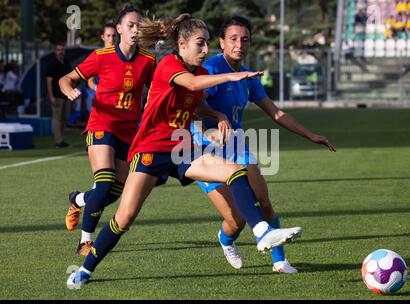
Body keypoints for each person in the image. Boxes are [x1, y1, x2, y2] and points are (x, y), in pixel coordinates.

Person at [67, 13, 302, 288]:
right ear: (182, 44)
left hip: (181, 148)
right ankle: (85, 270)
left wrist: (218, 114)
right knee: (124, 218)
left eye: (207, 45)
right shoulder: (168, 64)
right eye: (200, 44)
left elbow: (196, 101)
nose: (205, 51)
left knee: (235, 171)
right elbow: (190, 85)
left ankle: (262, 232)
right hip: (151, 151)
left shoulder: (201, 73)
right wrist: (232, 76)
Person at [190, 16, 335, 273]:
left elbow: (276, 113)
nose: (239, 44)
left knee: (264, 201)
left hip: (235, 144)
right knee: (235, 220)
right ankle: (226, 240)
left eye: (245, 39)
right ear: (222, 42)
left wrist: (310, 135)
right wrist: (217, 117)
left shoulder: (249, 76)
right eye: (233, 39)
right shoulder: (211, 69)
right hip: (204, 146)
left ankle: (279, 261)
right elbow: (195, 105)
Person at [59, 6, 157, 256]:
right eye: (131, 25)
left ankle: (78, 199)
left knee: (114, 192)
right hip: (101, 126)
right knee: (103, 184)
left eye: (140, 26)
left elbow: (157, 91)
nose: (136, 30)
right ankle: (85, 242)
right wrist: (69, 89)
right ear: (119, 29)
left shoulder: (147, 60)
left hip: (128, 132)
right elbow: (66, 79)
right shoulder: (100, 56)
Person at [46, 43, 72, 147]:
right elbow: (48, 82)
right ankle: (58, 140)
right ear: (55, 51)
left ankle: (61, 138)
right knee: (57, 118)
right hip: (56, 95)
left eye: (62, 50)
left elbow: (70, 79)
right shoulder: (51, 65)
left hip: (66, 95)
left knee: (64, 118)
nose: (60, 52)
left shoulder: (66, 63)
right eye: (58, 50)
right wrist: (51, 96)